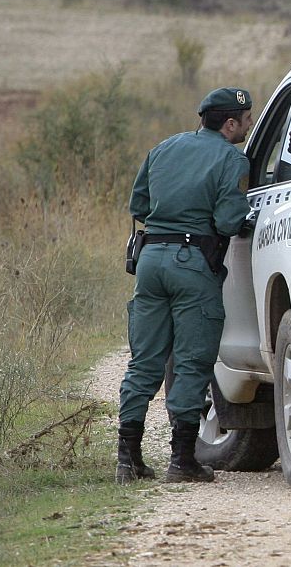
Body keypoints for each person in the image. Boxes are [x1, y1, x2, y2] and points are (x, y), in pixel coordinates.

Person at [117, 87, 254, 484]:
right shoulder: (232, 158)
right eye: (245, 120)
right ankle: (182, 460)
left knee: (144, 361)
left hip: (150, 261)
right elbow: (229, 220)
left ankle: (128, 460)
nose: (247, 126)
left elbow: (139, 206)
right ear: (230, 124)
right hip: (192, 264)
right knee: (192, 361)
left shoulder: (164, 148)